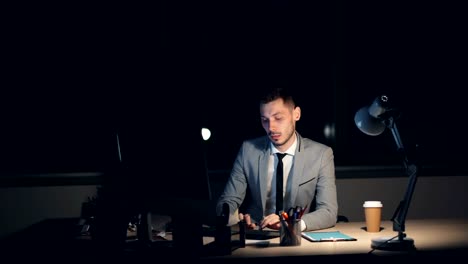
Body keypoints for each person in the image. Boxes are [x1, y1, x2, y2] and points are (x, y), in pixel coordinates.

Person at [216, 87, 338, 231]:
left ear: (296, 114)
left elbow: (329, 212)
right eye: (264, 120)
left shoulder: (321, 154)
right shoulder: (248, 150)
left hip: (297, 237)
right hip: (257, 234)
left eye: (278, 118)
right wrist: (235, 218)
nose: (271, 127)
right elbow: (227, 201)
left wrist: (291, 222)